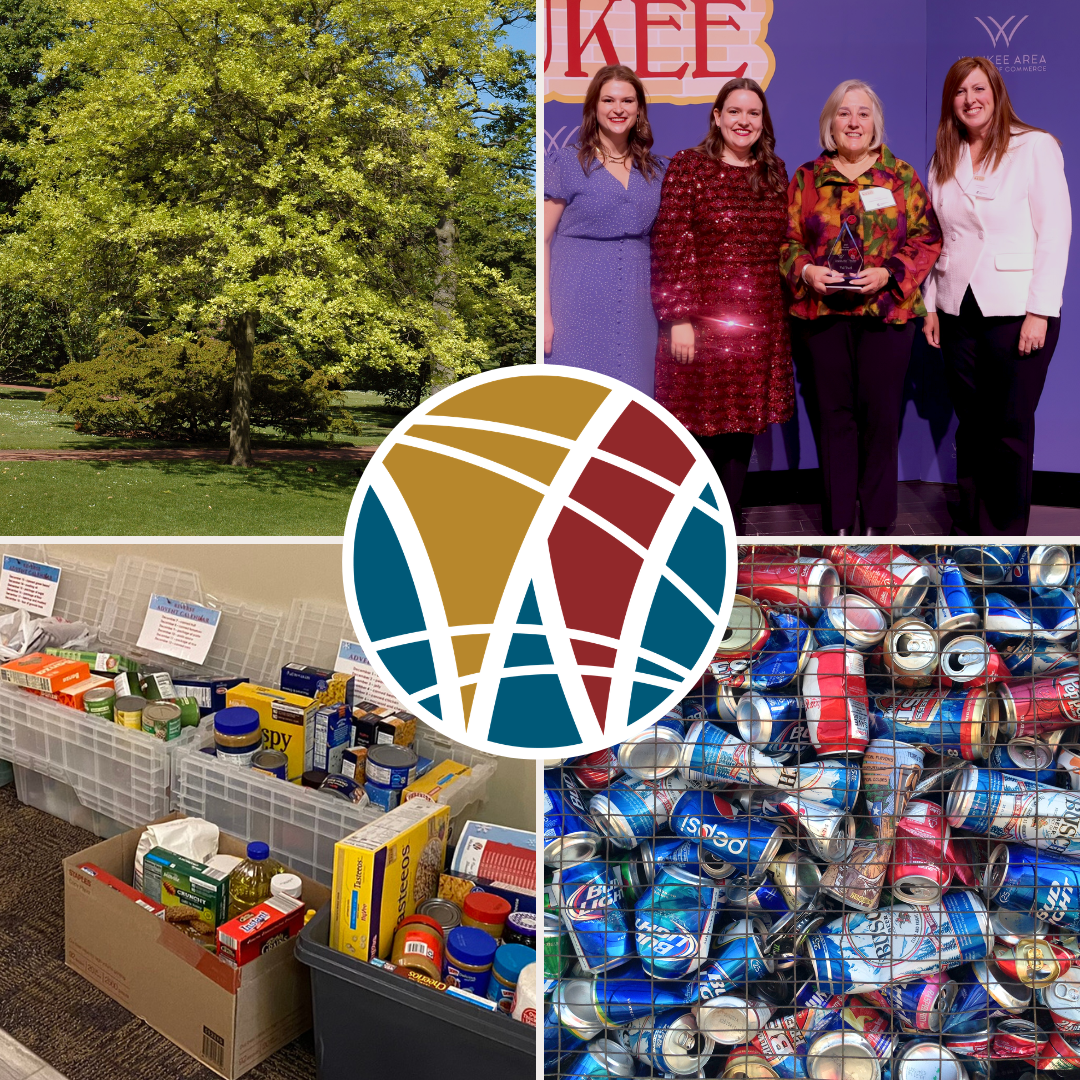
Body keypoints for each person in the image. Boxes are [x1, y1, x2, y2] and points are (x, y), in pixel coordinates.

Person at [780, 80, 942, 536]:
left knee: (880, 421)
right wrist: (808, 272)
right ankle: (839, 529)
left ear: (875, 123)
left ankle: (877, 527)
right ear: (830, 122)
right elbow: (787, 243)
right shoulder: (807, 177)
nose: (854, 122)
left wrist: (890, 272)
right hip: (823, 318)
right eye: (844, 113)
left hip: (885, 318)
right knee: (834, 422)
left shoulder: (900, 176)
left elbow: (927, 237)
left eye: (863, 113)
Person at [922, 57, 1070, 536]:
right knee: (972, 426)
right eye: (961, 91)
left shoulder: (1035, 147)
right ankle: (972, 532)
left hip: (1017, 310)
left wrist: (1040, 311)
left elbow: (1055, 232)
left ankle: (1005, 541)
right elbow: (937, 237)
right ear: (952, 101)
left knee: (1008, 428)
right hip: (957, 308)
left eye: (979, 88)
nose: (970, 98)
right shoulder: (945, 157)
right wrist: (930, 304)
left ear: (996, 92)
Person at [650, 78, 794, 532]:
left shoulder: (774, 171)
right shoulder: (690, 166)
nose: (743, 121)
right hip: (701, 321)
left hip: (760, 321)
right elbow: (672, 241)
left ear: (763, 121)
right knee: (695, 430)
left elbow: (784, 246)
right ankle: (694, 529)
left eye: (753, 113)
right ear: (716, 116)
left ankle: (728, 527)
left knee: (739, 432)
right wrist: (678, 317)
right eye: (734, 111)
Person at [543, 65, 665, 395]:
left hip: (638, 310)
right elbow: (540, 239)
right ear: (594, 107)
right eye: (608, 100)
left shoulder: (656, 170)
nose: (618, 109)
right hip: (575, 305)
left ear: (639, 108)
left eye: (627, 100)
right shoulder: (567, 163)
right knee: (577, 403)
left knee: (633, 407)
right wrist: (545, 315)